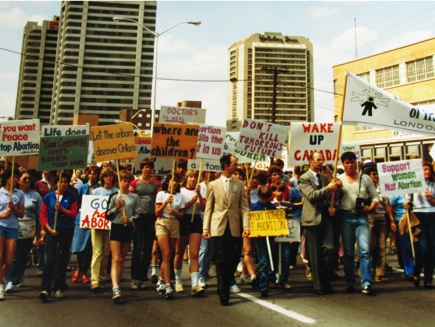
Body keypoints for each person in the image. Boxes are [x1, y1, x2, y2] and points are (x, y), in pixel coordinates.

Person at [202, 153, 250, 306]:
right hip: (218, 226)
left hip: (235, 226)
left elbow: (244, 207)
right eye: (234, 164)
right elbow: (209, 208)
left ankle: (225, 281)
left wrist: (246, 226)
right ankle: (224, 291)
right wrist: (206, 228)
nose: (237, 167)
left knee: (235, 257)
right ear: (226, 166)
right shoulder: (213, 185)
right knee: (221, 258)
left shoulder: (239, 184)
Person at [336, 151, 379, 295]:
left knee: (365, 250)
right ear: (343, 164)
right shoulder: (339, 179)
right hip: (345, 216)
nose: (350, 165)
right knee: (348, 252)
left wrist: (370, 207)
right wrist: (335, 189)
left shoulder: (365, 178)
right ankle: (350, 282)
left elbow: (375, 196)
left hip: (361, 217)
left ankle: (367, 282)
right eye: (347, 163)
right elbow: (334, 199)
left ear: (356, 162)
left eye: (352, 162)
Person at [299, 152, 341, 295]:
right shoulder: (304, 178)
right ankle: (318, 284)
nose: (321, 162)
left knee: (330, 248)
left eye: (322, 159)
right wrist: (328, 188)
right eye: (318, 160)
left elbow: (330, 197)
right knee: (314, 253)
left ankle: (325, 277)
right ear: (311, 161)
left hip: (325, 217)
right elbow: (311, 195)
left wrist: (336, 190)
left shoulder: (324, 177)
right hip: (312, 218)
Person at [39, 172, 78, 302]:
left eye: (66, 182)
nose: (63, 184)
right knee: (50, 259)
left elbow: (73, 214)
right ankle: (45, 288)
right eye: (61, 182)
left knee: (62, 260)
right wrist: (48, 229)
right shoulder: (49, 197)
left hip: (65, 232)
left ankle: (58, 286)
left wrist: (62, 209)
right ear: (56, 183)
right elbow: (43, 216)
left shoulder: (71, 197)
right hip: (52, 232)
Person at [106, 170, 139, 303]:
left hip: (127, 228)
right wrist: (117, 208)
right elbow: (107, 214)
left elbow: (138, 214)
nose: (125, 183)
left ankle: (117, 284)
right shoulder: (115, 196)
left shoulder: (134, 197)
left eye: (128, 181)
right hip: (116, 227)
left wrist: (130, 220)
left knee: (122, 258)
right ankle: (115, 288)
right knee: (116, 258)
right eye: (123, 181)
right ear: (119, 182)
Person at [6, 171, 41, 293]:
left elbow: (39, 215)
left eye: (29, 179)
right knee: (12, 255)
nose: (27, 181)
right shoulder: (13, 194)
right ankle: (10, 279)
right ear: (18, 180)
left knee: (23, 256)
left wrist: (39, 234)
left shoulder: (35, 195)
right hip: (15, 226)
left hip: (29, 227)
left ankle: (18, 276)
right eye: (24, 179)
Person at [129, 158, 161, 289]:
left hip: (151, 218)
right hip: (138, 218)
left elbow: (159, 199)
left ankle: (142, 277)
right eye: (145, 167)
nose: (147, 169)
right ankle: (134, 277)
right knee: (137, 248)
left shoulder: (157, 184)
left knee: (148, 249)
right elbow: (130, 200)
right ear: (141, 169)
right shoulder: (135, 183)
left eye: (150, 167)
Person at [155, 173, 185, 299]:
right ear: (167, 182)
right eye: (172, 180)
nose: (174, 183)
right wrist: (165, 203)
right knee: (166, 254)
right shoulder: (161, 194)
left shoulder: (180, 196)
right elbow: (156, 212)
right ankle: (168, 285)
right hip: (162, 222)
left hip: (174, 223)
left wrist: (175, 213)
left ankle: (161, 280)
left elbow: (182, 214)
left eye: (176, 181)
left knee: (169, 254)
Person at [406, 161, 435, 288]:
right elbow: (407, 201)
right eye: (424, 170)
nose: (427, 172)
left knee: (432, 248)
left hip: (432, 215)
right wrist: (406, 204)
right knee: (423, 247)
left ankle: (428, 278)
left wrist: (431, 198)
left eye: (429, 170)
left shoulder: (433, 185)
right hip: (419, 215)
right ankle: (417, 272)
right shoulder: (413, 185)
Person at [71, 165, 101, 284]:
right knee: (79, 247)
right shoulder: (82, 188)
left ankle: (84, 271)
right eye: (90, 173)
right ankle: (78, 268)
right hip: (82, 218)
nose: (92, 176)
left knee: (89, 247)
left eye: (94, 174)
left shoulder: (100, 188)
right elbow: (78, 202)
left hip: (95, 219)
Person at [90, 167, 119, 293]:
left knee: (106, 252)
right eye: (106, 176)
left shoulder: (117, 192)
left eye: (111, 176)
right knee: (97, 251)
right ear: (102, 178)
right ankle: (95, 280)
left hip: (111, 224)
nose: (109, 178)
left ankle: (102, 277)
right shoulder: (96, 192)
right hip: (97, 224)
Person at [180, 170, 206, 296]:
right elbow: (179, 208)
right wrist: (190, 202)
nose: (193, 179)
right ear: (186, 178)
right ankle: (178, 280)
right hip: (183, 219)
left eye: (195, 177)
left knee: (194, 253)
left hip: (195, 219)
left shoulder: (199, 189)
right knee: (179, 252)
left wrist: (199, 196)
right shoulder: (181, 191)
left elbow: (204, 207)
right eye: (190, 176)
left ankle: (195, 284)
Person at [366, 167, 396, 283]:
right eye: (373, 174)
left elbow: (386, 204)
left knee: (381, 246)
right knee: (370, 245)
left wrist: (392, 220)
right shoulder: (365, 189)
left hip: (381, 218)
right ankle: (366, 268)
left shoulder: (382, 189)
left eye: (377, 175)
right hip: (369, 219)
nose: (376, 177)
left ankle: (380, 273)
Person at [0, 168, 25, 300]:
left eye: (17, 177)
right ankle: (0, 286)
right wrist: (4, 214)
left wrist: (14, 208)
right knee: (0, 256)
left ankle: (2, 277)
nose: (16, 179)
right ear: (7, 178)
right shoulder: (0, 192)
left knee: (9, 261)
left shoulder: (19, 194)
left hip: (13, 227)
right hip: (0, 226)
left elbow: (21, 214)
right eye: (14, 177)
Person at [250, 185, 277, 297]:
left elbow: (276, 221)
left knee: (271, 258)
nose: (264, 201)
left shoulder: (272, 207)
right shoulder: (255, 207)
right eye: (262, 198)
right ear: (259, 196)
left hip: (270, 236)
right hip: (260, 238)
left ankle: (263, 279)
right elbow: (252, 222)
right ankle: (263, 286)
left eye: (266, 198)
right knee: (263, 260)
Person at [390, 194, 414, 280]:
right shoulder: (397, 194)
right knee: (406, 247)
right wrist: (392, 221)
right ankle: (409, 271)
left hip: (415, 220)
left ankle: (418, 269)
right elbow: (391, 208)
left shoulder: (416, 192)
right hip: (401, 221)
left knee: (417, 246)